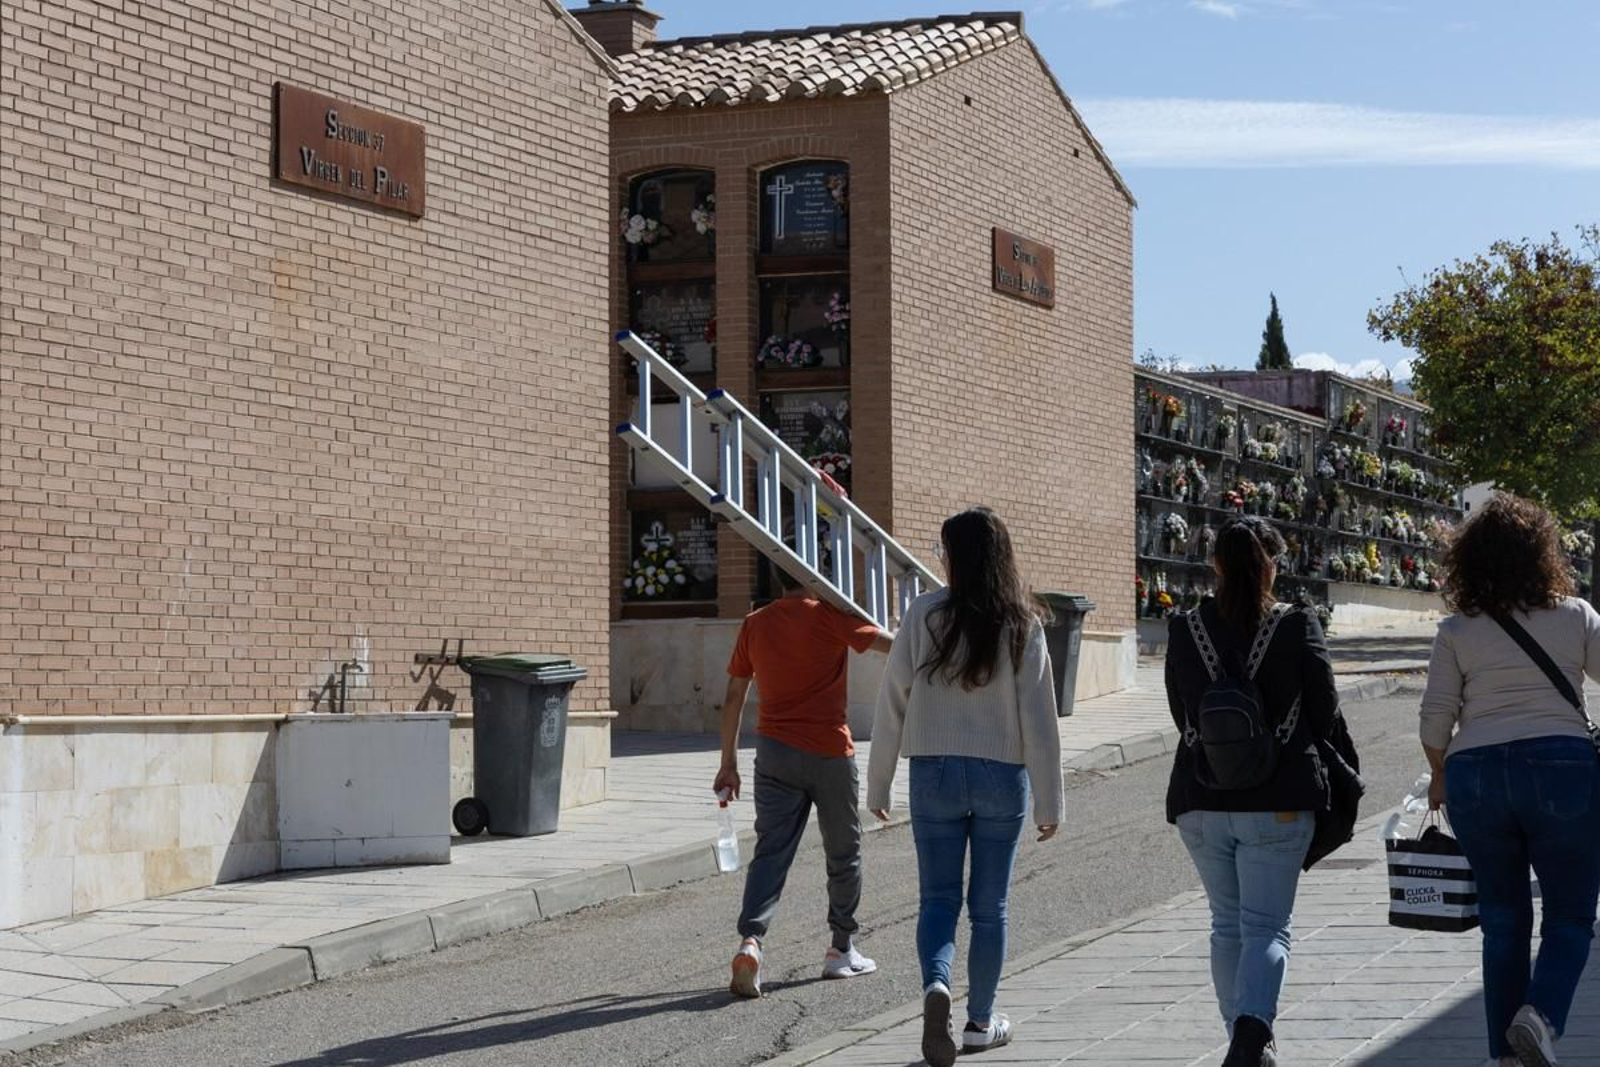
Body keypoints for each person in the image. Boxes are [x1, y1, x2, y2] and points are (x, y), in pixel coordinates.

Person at [867, 507, 1063, 1067]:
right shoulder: (1023, 623)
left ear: (955, 558)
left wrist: (878, 783)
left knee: (937, 899)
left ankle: (936, 986)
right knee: (990, 907)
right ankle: (980, 1021)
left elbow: (893, 699)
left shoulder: (923, 614)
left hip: (934, 771)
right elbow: (1040, 721)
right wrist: (1050, 801)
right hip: (1003, 775)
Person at [1419, 495, 1600, 1067]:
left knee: (1502, 922)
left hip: (1475, 774)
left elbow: (1433, 720)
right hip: (1562, 766)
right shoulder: (1576, 614)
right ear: (1542, 553)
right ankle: (1540, 1018)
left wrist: (1440, 773)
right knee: (1570, 915)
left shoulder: (1455, 630)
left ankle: (1505, 1055)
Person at [1164, 516, 1339, 1067]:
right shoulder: (1296, 623)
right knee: (1266, 926)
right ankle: (1249, 1038)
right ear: (1271, 566)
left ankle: (1244, 1042)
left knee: (1226, 925)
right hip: (1278, 801)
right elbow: (1326, 711)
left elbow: (1179, 712)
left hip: (1202, 800)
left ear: (1216, 565)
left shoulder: (1184, 627)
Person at [713, 562, 894, 998]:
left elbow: (735, 694)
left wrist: (728, 763)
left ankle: (751, 942)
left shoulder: (756, 624)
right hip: (829, 752)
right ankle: (840, 949)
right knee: (843, 853)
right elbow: (892, 645)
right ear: (818, 576)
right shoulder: (831, 615)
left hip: (774, 753)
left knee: (771, 852)